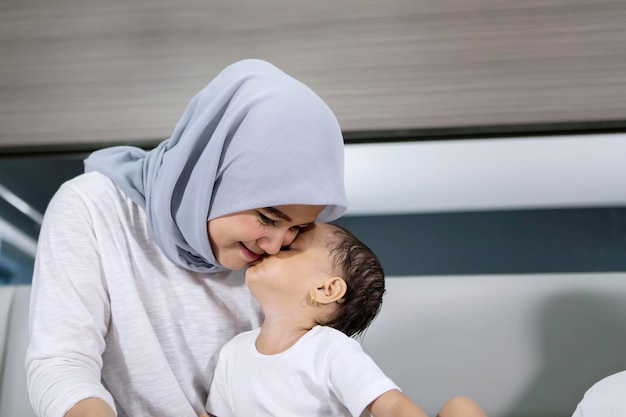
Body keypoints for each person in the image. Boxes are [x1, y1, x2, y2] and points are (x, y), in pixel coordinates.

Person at [25, 59, 348, 417]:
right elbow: (62, 364)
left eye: (297, 228)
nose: (275, 246)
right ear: (213, 173)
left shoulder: (290, 260)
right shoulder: (93, 207)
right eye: (267, 218)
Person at [205, 223, 488, 417]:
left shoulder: (329, 349)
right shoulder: (233, 351)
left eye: (288, 249)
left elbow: (388, 405)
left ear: (326, 290)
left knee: (460, 408)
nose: (270, 247)